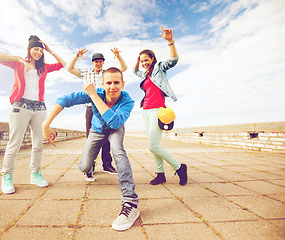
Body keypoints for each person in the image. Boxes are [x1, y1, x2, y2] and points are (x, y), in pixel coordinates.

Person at [42, 67, 139, 231]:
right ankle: (89, 168)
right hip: (96, 130)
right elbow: (65, 99)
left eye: (116, 82)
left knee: (117, 150)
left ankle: (130, 201)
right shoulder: (99, 92)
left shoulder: (127, 101)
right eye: (108, 83)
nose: (112, 87)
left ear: (123, 84)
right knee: (85, 166)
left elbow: (115, 122)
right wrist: (46, 123)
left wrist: (93, 95)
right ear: (103, 83)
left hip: (115, 128)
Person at [0, 35, 66, 194]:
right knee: (15, 143)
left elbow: (63, 64)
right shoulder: (18, 62)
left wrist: (50, 50)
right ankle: (7, 175)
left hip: (39, 108)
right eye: (35, 49)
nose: (38, 52)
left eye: (40, 50)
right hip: (20, 106)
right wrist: (19, 61)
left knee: (38, 144)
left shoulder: (43, 67)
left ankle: (35, 174)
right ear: (29, 49)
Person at [133, 26, 188, 186]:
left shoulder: (159, 68)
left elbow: (173, 60)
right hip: (146, 111)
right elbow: (134, 71)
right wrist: (137, 60)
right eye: (142, 60)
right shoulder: (144, 74)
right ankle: (160, 174)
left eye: (146, 60)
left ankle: (179, 167)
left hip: (158, 111)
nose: (144, 63)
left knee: (153, 145)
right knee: (154, 146)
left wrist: (170, 41)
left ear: (152, 59)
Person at [67, 48, 128, 180]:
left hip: (106, 108)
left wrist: (117, 56)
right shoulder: (86, 73)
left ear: (103, 63)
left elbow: (124, 67)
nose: (98, 63)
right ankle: (90, 166)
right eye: (96, 61)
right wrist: (77, 55)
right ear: (93, 62)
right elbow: (70, 68)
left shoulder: (108, 74)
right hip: (91, 107)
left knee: (107, 136)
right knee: (91, 136)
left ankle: (107, 164)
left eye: (100, 61)